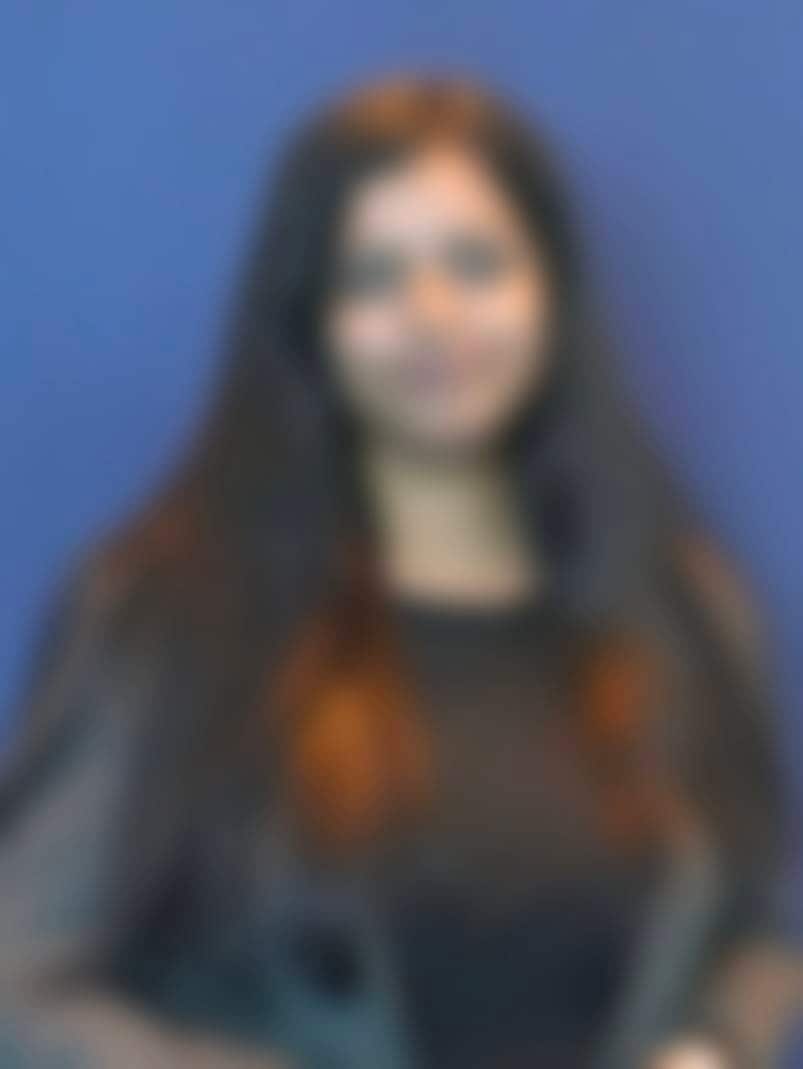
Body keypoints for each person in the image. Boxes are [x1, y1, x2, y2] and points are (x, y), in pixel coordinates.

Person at [0, 74, 800, 1069]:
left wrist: (714, 1045)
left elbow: (758, 925)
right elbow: (18, 987)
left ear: (551, 287)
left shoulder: (683, 606)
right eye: (374, 276)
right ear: (309, 317)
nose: (434, 315)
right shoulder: (168, 615)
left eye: (475, 262)